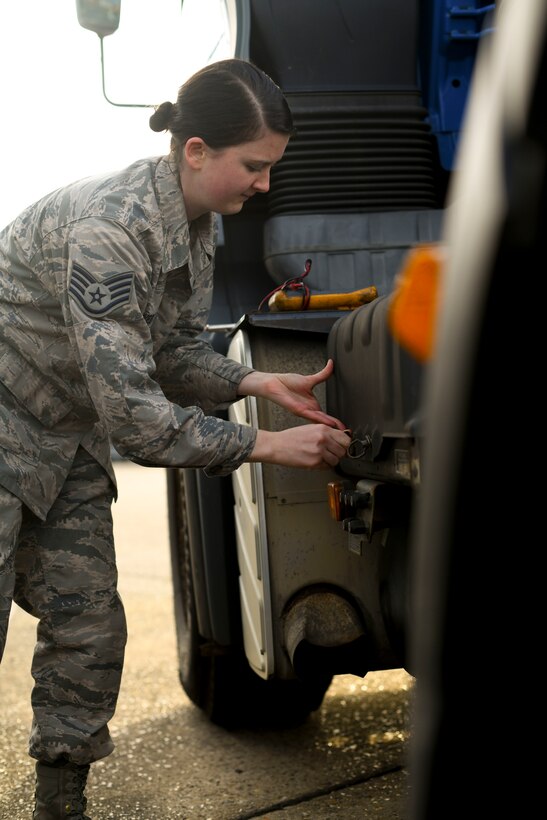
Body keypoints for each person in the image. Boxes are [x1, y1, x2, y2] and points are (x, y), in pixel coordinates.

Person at [0, 58, 350, 819]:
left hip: (65, 438)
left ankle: (61, 805)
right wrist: (263, 446)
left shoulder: (196, 223)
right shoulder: (109, 229)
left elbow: (173, 350)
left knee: (87, 625)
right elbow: (134, 415)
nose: (263, 184)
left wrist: (252, 384)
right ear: (195, 150)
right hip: (5, 424)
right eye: (253, 166)